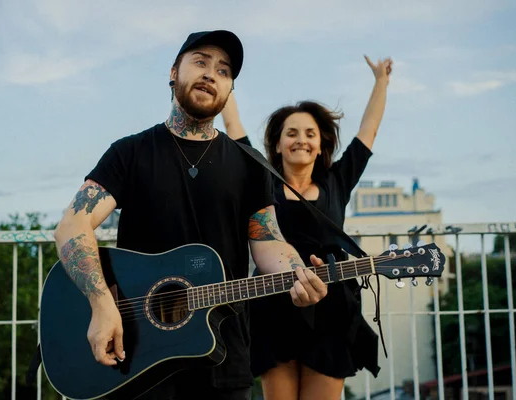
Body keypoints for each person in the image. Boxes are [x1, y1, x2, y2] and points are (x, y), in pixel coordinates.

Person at [53, 30, 329, 400]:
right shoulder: (131, 153)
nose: (211, 74)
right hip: (137, 355)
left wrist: (296, 273)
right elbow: (72, 224)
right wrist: (101, 304)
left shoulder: (250, 166)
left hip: (222, 355)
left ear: (229, 90)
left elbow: (267, 240)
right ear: (173, 72)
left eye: (224, 70)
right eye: (200, 61)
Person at [221, 55, 393, 400]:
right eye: (292, 133)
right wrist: (225, 76)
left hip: (331, 310)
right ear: (278, 143)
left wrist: (381, 82)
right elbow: (234, 126)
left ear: (321, 144)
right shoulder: (261, 180)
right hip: (272, 308)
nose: (301, 139)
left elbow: (368, 131)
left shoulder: (337, 182)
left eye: (310, 134)